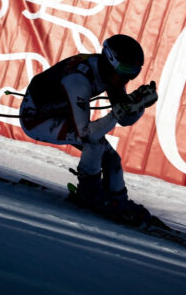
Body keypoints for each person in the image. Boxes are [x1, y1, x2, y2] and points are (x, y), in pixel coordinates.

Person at [19, 34, 158, 224]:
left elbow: (125, 120)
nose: (129, 76)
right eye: (127, 69)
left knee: (112, 159)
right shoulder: (79, 79)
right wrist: (117, 113)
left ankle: (119, 201)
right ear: (111, 60)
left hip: (61, 112)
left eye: (135, 71)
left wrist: (138, 105)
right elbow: (86, 133)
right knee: (94, 144)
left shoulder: (110, 73)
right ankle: (90, 196)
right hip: (37, 118)